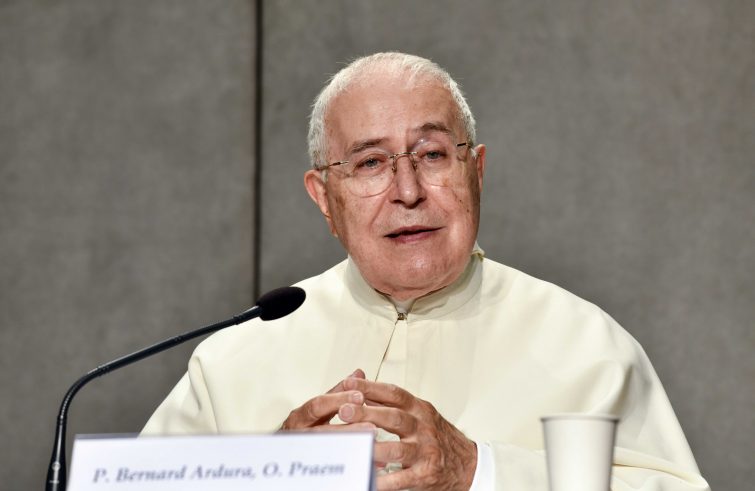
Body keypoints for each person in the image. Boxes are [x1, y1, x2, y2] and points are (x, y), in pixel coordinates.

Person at [142, 52, 709, 490]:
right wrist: (264, 473)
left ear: (476, 171)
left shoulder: (588, 348)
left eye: (432, 154)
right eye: (370, 163)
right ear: (324, 197)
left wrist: (478, 472)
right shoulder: (235, 361)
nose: (408, 191)